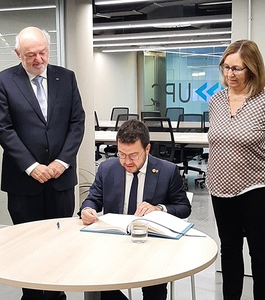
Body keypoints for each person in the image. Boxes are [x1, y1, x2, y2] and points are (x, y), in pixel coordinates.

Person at [0, 26, 85, 300]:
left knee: (59, 246)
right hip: (24, 183)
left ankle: (58, 295)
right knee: (28, 249)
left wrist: (63, 161)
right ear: (18, 54)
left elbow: (77, 122)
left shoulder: (66, 78)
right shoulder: (4, 81)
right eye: (31, 55)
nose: (39, 59)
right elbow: (3, 128)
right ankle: (32, 297)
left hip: (61, 181)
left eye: (43, 52)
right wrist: (32, 166)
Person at [206, 39, 265, 300]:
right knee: (229, 251)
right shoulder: (216, 101)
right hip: (220, 187)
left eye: (237, 69)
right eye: (226, 67)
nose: (229, 74)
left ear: (252, 69)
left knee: (260, 252)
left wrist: (256, 165)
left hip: (257, 189)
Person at [80, 119, 191, 300]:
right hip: (114, 244)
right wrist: (87, 209)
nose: (126, 161)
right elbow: (93, 199)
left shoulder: (167, 171)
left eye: (133, 155)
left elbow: (184, 208)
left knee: (154, 290)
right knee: (97, 282)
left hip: (151, 246)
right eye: (121, 154)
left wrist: (159, 209)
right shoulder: (107, 168)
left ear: (147, 149)